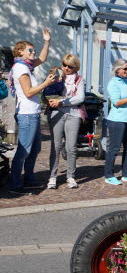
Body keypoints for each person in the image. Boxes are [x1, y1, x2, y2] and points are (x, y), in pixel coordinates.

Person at [8, 29, 55, 195]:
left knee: (34, 149)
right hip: (27, 115)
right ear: (20, 51)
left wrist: (47, 41)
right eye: (30, 50)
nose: (33, 52)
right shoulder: (21, 68)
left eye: (33, 50)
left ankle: (28, 178)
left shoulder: (27, 66)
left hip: (32, 113)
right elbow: (28, 92)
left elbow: (42, 58)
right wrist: (46, 83)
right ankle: (14, 183)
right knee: (24, 150)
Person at [45, 54, 85, 189]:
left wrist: (61, 102)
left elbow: (80, 98)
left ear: (75, 67)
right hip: (56, 114)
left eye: (70, 66)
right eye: (64, 64)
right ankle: (52, 176)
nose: (66, 68)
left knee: (71, 147)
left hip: (73, 115)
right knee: (55, 146)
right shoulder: (57, 76)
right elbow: (47, 91)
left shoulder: (79, 80)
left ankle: (71, 176)